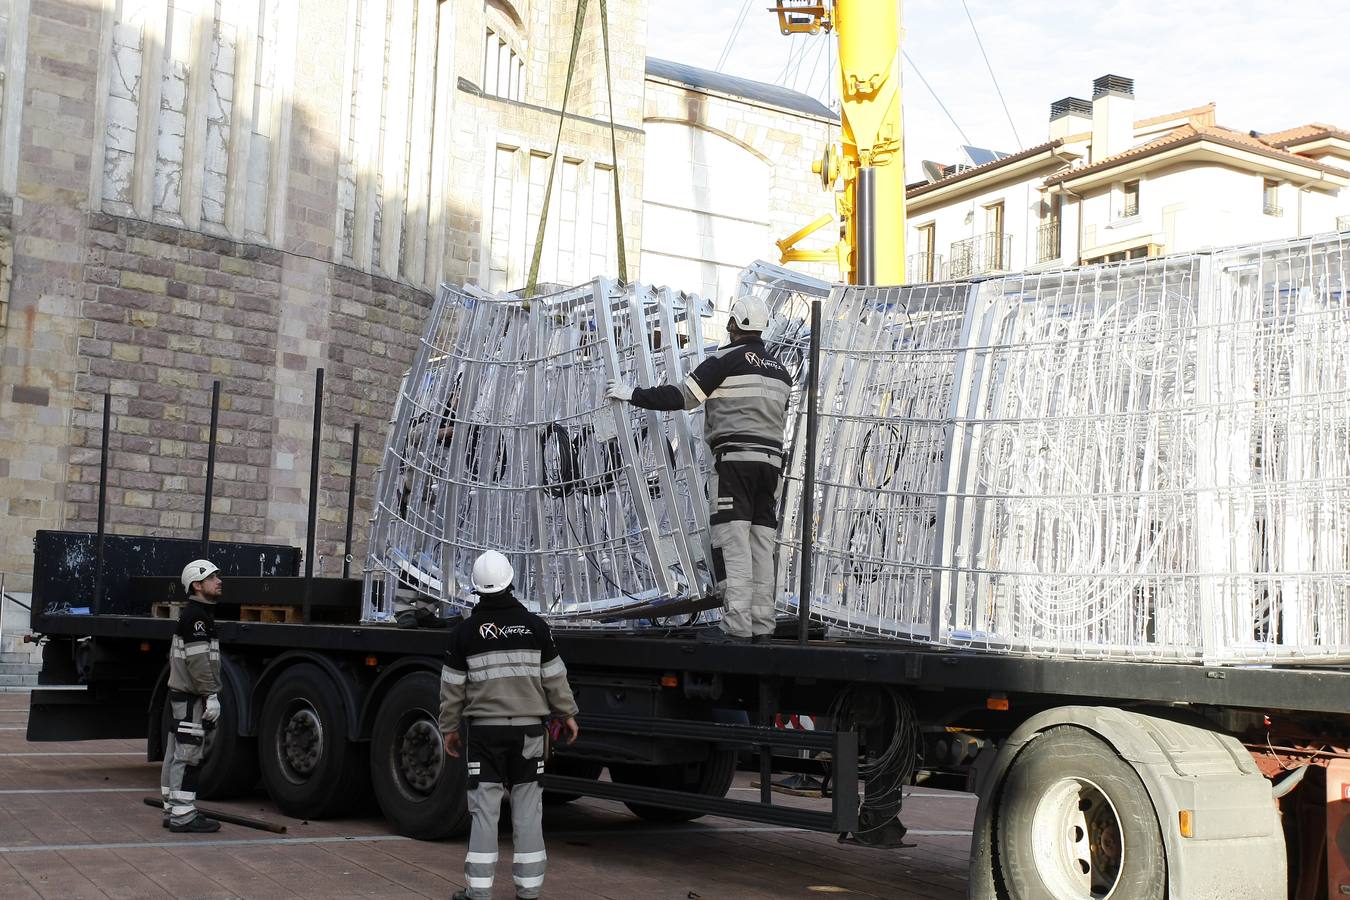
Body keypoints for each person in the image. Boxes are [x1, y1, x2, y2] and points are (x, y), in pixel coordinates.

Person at [605, 294, 791, 644]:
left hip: (735, 464)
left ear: (733, 325)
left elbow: (683, 397)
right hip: (771, 466)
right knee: (762, 543)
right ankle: (763, 625)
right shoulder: (782, 371)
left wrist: (633, 394)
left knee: (733, 542)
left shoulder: (724, 360)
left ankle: (737, 627)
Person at [440, 550, 580, 900]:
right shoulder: (536, 627)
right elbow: (554, 678)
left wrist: (449, 727)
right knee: (527, 809)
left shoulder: (464, 633)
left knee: (484, 810)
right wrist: (567, 714)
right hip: (529, 733)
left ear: (476, 588)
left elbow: (452, 688)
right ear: (510, 581)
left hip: (485, 733)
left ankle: (479, 891)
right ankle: (529, 891)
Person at [161, 559, 224, 833]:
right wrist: (211, 696)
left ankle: (173, 808)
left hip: (182, 696)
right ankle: (183, 816)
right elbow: (199, 663)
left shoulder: (195, 614)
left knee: (175, 752)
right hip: (190, 697)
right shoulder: (197, 618)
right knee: (188, 754)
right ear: (197, 585)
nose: (219, 582)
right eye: (212, 578)